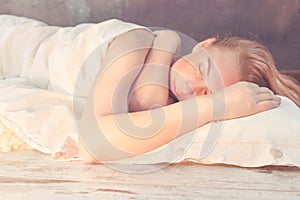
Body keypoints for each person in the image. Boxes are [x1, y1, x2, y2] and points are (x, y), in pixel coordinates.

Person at [78, 29, 300, 163]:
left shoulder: (162, 93)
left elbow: (144, 104)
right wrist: (215, 104)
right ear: (204, 45)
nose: (192, 88)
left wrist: (167, 41)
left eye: (206, 93)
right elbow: (91, 145)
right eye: (202, 70)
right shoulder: (136, 42)